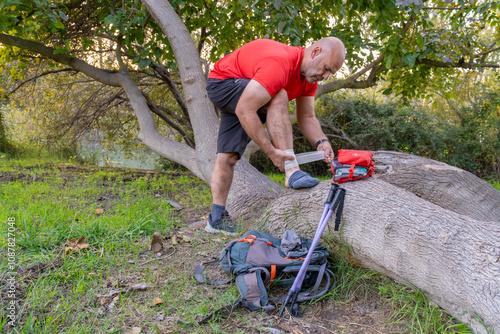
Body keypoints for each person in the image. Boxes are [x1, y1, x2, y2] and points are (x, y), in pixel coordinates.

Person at [205, 37, 346, 235]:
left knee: (228, 157)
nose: (325, 76)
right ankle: (291, 171)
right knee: (279, 95)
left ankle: (216, 218)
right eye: (326, 68)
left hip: (247, 92)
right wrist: (272, 152)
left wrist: (321, 142)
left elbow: (306, 116)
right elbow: (245, 110)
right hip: (223, 83)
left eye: (330, 73)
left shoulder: (308, 79)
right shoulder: (280, 63)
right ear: (315, 52)